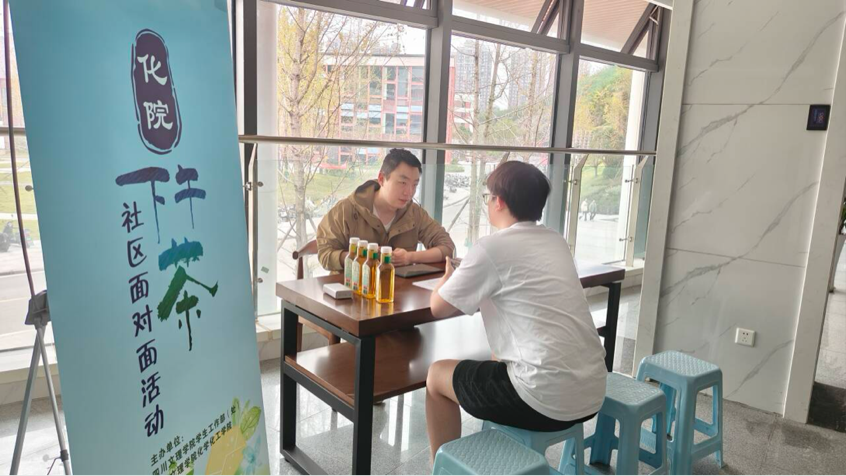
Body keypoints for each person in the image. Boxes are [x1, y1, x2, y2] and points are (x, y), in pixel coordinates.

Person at [424, 161, 607, 461]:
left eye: (487, 197)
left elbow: (438, 308)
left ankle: (441, 469)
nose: (487, 203)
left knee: (435, 376)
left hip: (543, 400)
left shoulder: (490, 247)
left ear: (499, 201)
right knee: (497, 360)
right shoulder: (555, 240)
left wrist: (445, 280)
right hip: (592, 391)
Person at [316, 149, 455, 271]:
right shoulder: (346, 210)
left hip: (398, 289)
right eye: (402, 183)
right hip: (352, 288)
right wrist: (359, 256)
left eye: (414, 185)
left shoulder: (414, 213)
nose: (409, 192)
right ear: (382, 179)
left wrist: (409, 257)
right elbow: (325, 255)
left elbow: (447, 246)